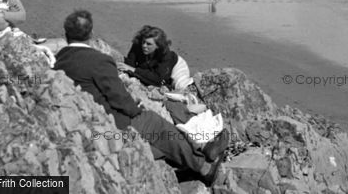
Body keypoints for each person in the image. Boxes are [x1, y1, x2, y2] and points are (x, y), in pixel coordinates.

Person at [54, 10, 224, 183]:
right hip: (111, 123)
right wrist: (136, 109)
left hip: (85, 124)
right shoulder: (99, 60)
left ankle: (185, 163)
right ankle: (204, 168)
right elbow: (119, 97)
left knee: (156, 139)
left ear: (66, 34)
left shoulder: (58, 61)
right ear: (90, 33)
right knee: (156, 124)